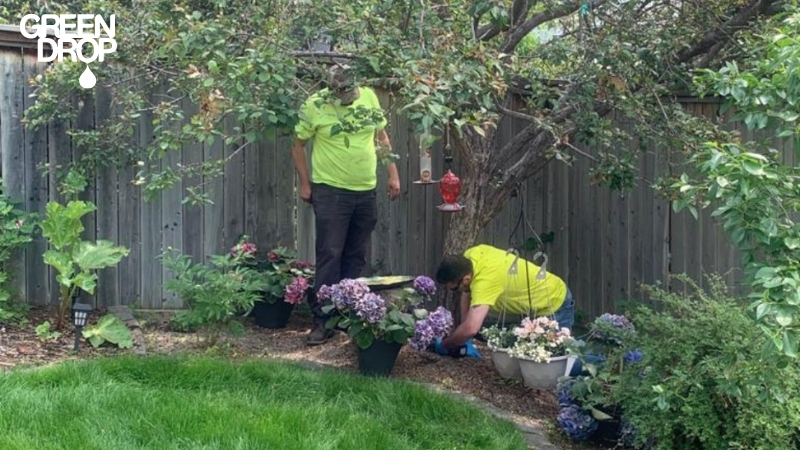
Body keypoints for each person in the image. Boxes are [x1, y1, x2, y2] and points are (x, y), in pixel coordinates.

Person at [292, 63, 401, 345]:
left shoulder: (369, 97)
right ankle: (323, 320)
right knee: (330, 254)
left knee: (357, 254)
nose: (348, 96)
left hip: (365, 190)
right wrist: (305, 184)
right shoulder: (315, 105)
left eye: (350, 91)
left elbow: (381, 137)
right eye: (341, 92)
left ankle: (349, 316)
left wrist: (393, 175)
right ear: (330, 88)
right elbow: (297, 146)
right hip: (330, 190)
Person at [433, 244, 575, 356]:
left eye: (453, 288)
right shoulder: (472, 255)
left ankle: (596, 362)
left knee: (559, 359)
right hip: (542, 296)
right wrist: (463, 332)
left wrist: (445, 345)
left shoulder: (485, 281)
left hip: (554, 302)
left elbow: (471, 328)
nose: (454, 291)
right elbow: (466, 291)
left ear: (466, 279)